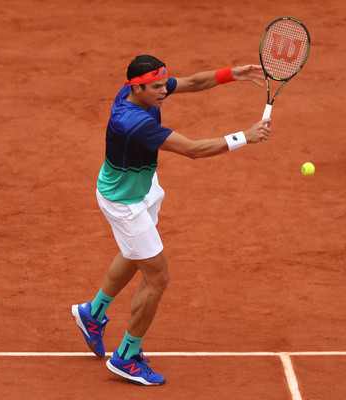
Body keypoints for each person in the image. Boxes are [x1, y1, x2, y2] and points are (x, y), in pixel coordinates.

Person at [71, 55, 271, 386]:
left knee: (137, 255)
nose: (165, 91)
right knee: (158, 276)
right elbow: (192, 149)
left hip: (143, 188)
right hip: (125, 204)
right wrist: (244, 137)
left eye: (165, 84)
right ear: (136, 88)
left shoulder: (139, 90)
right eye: (157, 87)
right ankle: (127, 356)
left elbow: (192, 82)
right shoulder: (132, 120)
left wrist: (231, 74)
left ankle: (93, 313)